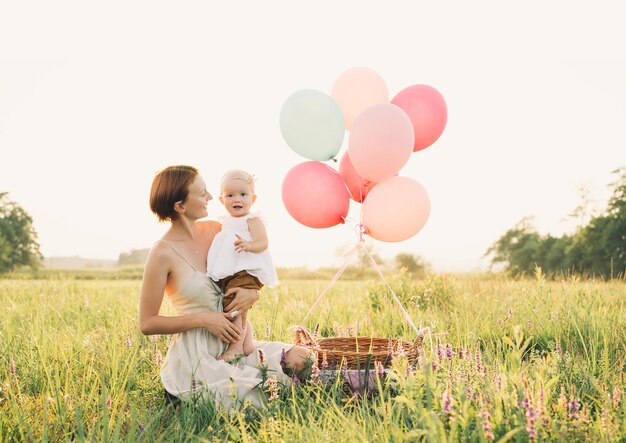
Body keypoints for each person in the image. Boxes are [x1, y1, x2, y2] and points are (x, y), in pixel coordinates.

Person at [139, 165, 309, 410]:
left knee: (303, 358)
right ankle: (189, 393)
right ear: (180, 206)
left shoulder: (220, 230)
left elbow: (250, 265)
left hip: (238, 341)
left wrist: (253, 291)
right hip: (199, 354)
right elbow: (147, 323)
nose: (210, 197)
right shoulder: (161, 253)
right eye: (202, 193)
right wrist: (205, 319)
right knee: (257, 397)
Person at [206, 169, 278, 362]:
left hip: (248, 270)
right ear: (222, 200)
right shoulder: (226, 222)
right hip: (232, 271)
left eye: (243, 194)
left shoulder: (252, 219)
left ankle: (236, 347)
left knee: (235, 307)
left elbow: (263, 242)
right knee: (234, 306)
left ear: (253, 198)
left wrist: (250, 245)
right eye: (230, 195)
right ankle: (247, 344)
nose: (237, 199)